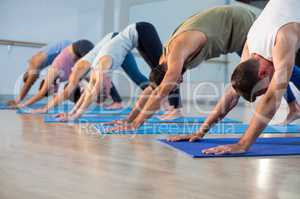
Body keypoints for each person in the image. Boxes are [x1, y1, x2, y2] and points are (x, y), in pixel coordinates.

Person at [169, 0, 300, 155]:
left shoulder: (282, 38)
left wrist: (242, 144)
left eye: (261, 90)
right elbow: (231, 94)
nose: (265, 92)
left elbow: (272, 99)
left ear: (262, 74)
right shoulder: (250, 47)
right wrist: (200, 132)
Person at [108, 6, 256, 131]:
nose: (180, 82)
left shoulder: (176, 53)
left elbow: (159, 94)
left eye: (175, 82)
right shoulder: (164, 60)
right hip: (232, 30)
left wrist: (135, 124)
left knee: (258, 74)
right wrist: (128, 120)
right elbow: (151, 90)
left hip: (241, 23)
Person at [57, 22, 182, 121]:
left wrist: (75, 116)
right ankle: (171, 107)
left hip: (142, 29)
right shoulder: (97, 73)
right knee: (159, 71)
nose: (110, 88)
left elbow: (91, 93)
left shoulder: (101, 68)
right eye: (108, 91)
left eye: (107, 91)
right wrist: (72, 113)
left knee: (167, 70)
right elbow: (87, 94)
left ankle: (175, 110)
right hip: (138, 36)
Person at [31, 32, 149, 113]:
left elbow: (68, 93)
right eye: (108, 94)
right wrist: (73, 113)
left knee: (109, 74)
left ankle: (119, 101)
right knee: (135, 75)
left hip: (108, 41)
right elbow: (85, 94)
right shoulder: (90, 74)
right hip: (118, 43)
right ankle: (157, 93)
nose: (108, 95)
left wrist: (45, 108)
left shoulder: (77, 72)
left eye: (106, 94)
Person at [17, 39, 94, 108]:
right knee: (79, 81)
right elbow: (58, 96)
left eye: (33, 81)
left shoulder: (34, 65)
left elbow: (35, 89)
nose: (34, 80)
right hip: (75, 51)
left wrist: (19, 102)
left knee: (82, 78)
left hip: (74, 47)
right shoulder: (58, 80)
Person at [6, 40, 72, 108]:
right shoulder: (33, 62)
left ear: (28, 75)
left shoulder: (33, 66)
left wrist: (17, 101)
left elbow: (27, 85)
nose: (36, 79)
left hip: (64, 48)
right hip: (64, 48)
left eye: (33, 80)